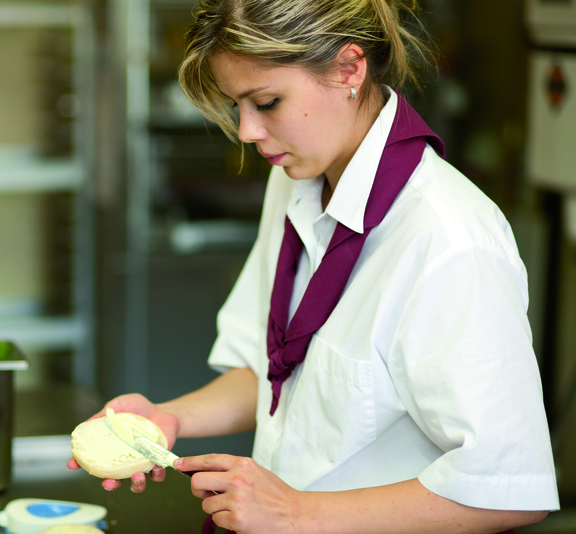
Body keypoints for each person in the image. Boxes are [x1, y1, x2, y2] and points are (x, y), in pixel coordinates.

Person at [68, 0, 560, 532]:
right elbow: (282, 375)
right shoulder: (295, 180)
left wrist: (300, 513)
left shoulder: (448, 241)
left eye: (267, 102)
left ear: (348, 69)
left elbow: (509, 490)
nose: (248, 132)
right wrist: (171, 418)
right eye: (239, 106)